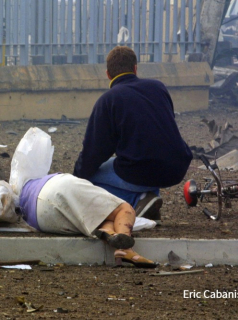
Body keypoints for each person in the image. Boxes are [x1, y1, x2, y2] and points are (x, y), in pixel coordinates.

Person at [73, 46, 193, 223]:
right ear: (135, 68)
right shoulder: (158, 88)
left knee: (89, 180)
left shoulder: (108, 100)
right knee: (141, 158)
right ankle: (150, 197)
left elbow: (94, 152)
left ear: (108, 74)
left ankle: (137, 201)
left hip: (141, 171)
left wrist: (75, 180)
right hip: (176, 167)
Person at [19, 172, 157, 268]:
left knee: (101, 217)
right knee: (123, 209)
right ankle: (126, 248)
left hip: (40, 218)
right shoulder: (56, 178)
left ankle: (110, 233)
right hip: (58, 188)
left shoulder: (22, 197)